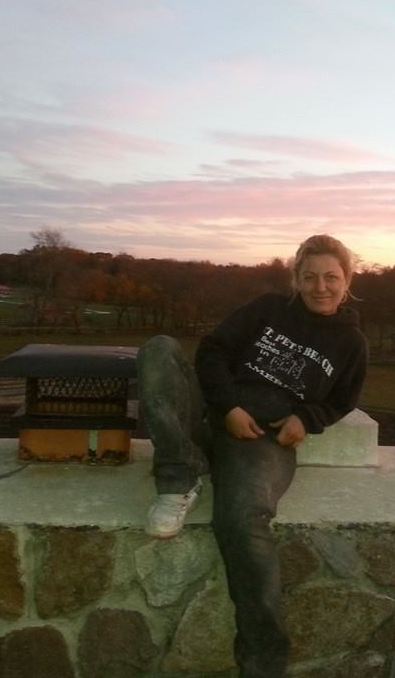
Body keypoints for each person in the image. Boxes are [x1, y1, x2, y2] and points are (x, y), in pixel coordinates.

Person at [136, 234, 368, 678]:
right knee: (159, 349)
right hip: (215, 412)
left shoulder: (351, 342)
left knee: (242, 519)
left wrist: (307, 418)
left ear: (347, 281)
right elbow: (212, 351)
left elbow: (342, 400)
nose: (321, 287)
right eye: (310, 277)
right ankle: (179, 476)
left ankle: (263, 661)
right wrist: (227, 407)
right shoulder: (267, 309)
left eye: (331, 277)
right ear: (296, 279)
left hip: (259, 439)